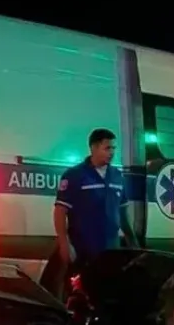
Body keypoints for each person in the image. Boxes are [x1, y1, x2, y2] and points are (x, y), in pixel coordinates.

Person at [51, 128, 138, 298]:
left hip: (110, 251)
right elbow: (60, 212)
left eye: (113, 148)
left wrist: (132, 241)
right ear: (93, 148)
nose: (112, 153)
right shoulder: (75, 175)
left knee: (106, 296)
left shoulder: (117, 176)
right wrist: (64, 243)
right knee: (78, 295)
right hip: (83, 250)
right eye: (107, 148)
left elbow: (123, 212)